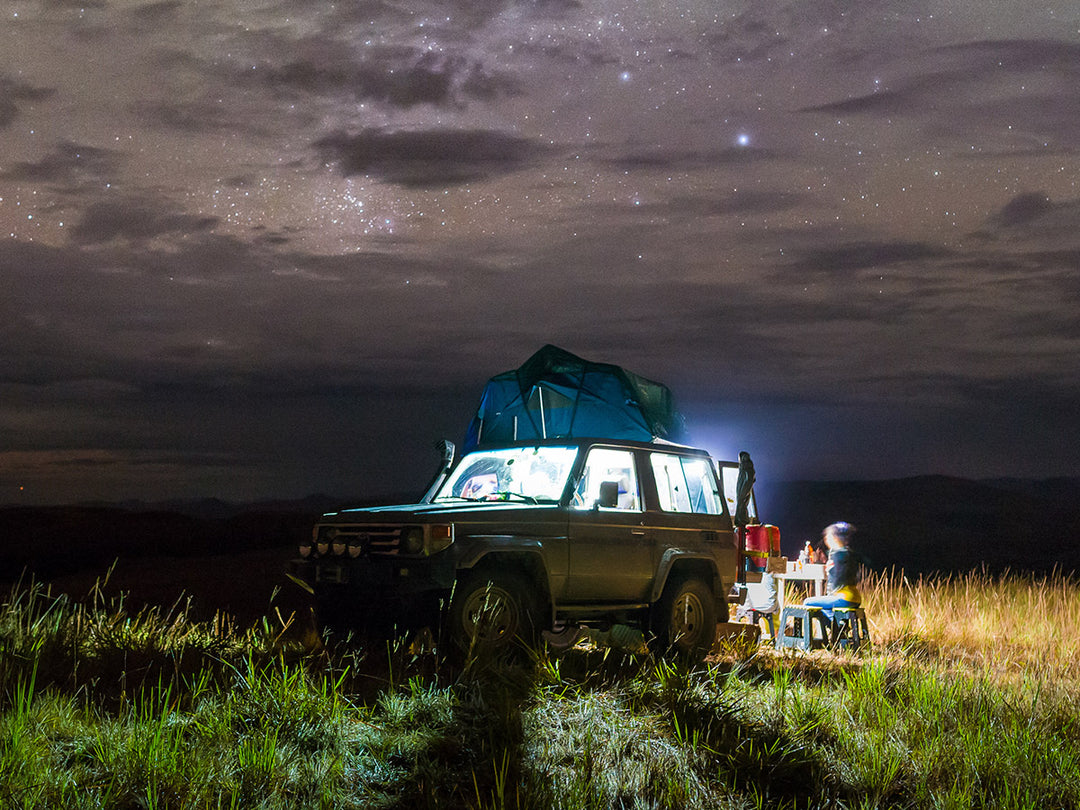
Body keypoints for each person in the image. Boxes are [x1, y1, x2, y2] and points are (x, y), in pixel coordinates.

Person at [803, 522, 860, 619]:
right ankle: (838, 629)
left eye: (827, 537)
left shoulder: (838, 554)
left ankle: (835, 628)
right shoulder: (848, 553)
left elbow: (837, 579)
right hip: (855, 597)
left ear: (835, 538)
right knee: (824, 607)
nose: (826, 540)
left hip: (843, 598)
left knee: (807, 602)